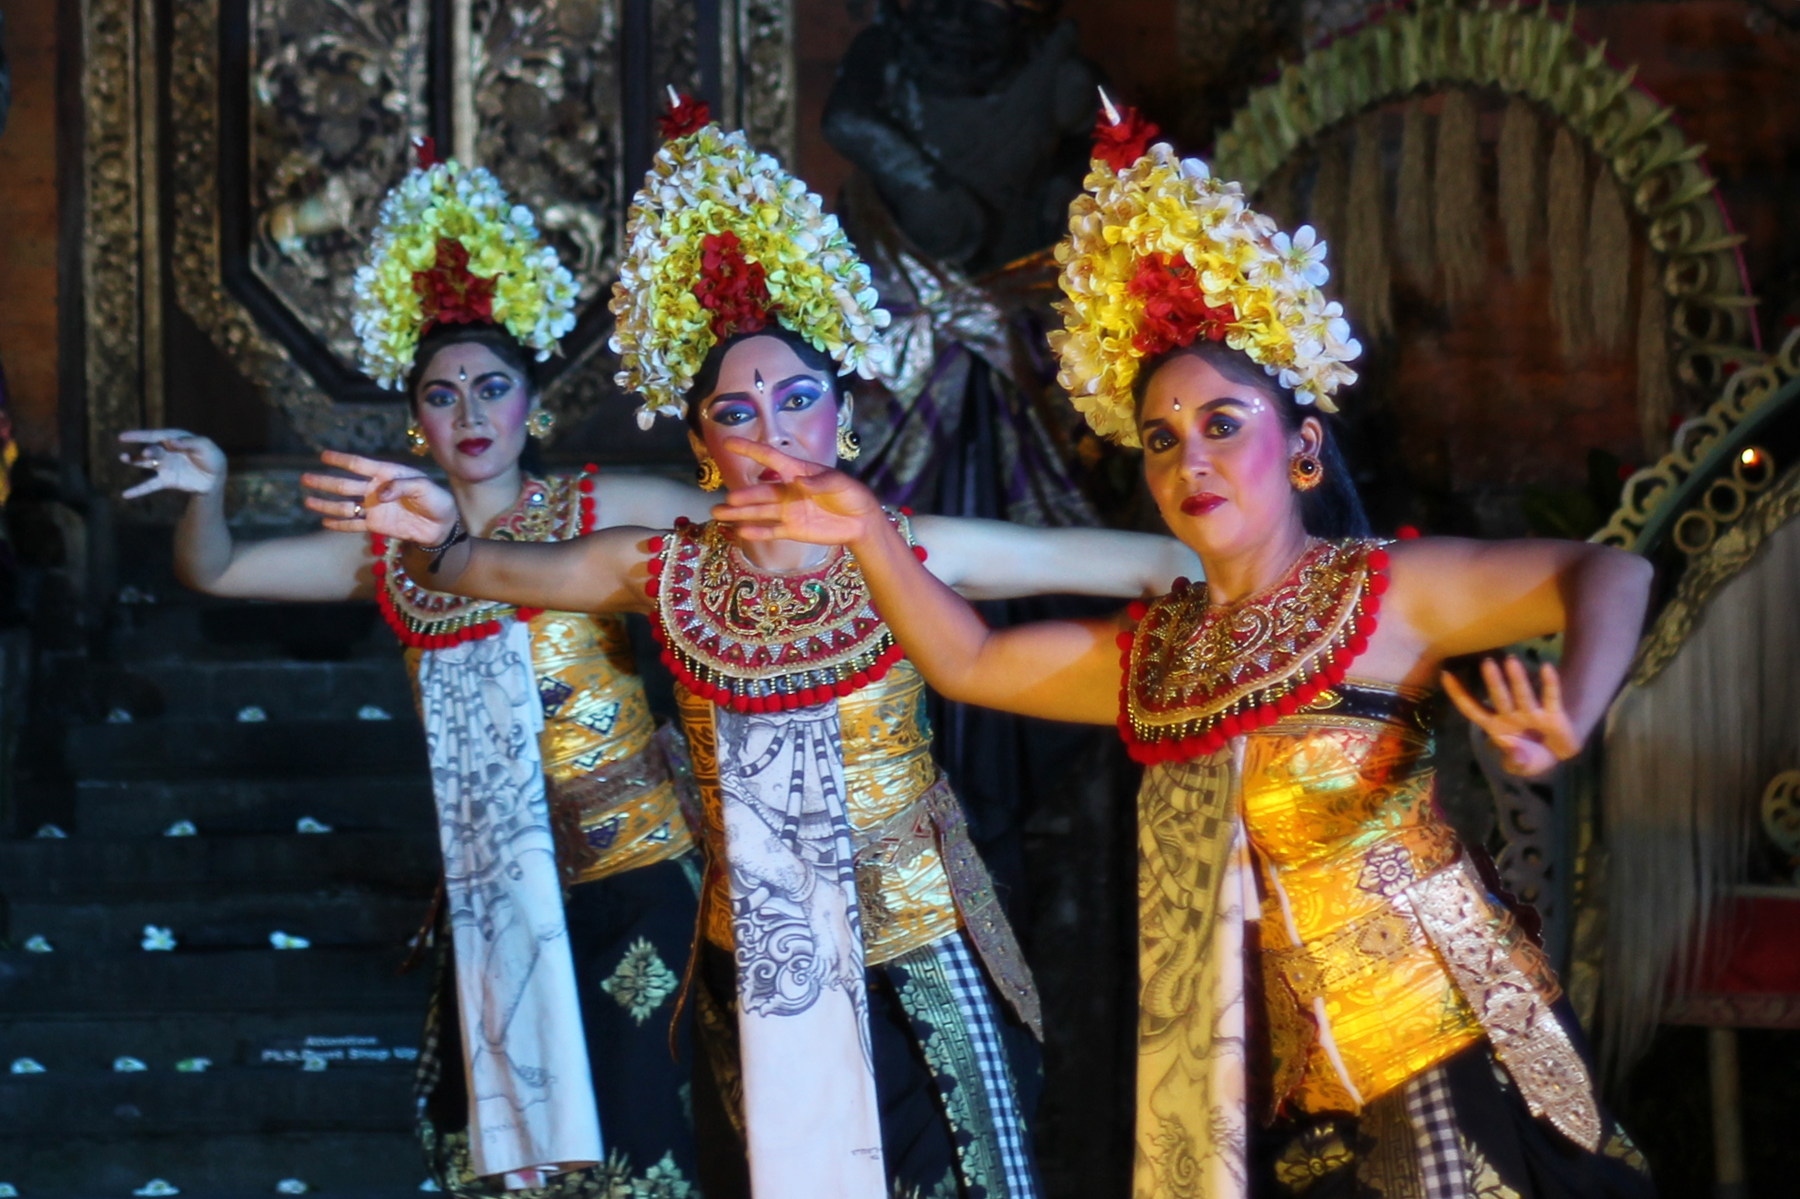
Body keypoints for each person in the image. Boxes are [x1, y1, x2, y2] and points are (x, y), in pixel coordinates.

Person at [710, 104, 1660, 1198]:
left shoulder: (1379, 594)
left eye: (1223, 423)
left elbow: (1610, 572)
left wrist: (1574, 710)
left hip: (1445, 1035)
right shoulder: (1156, 659)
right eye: (1161, 437)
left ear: (1301, 447)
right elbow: (967, 658)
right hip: (1281, 1086)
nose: (1190, 458)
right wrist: (868, 531)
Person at [309, 97, 1200, 1199]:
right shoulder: (662, 567)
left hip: (921, 946)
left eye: (798, 400)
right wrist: (427, 534)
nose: (773, 434)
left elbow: (1132, 564)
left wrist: (1275, 579)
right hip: (759, 972)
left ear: (845, 419)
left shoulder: (908, 549)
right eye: (738, 413)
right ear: (700, 443)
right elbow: (495, 569)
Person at [120, 142, 716, 1197]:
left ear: (533, 401)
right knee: (509, 1152)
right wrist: (206, 488)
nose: (473, 414)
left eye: (494, 388)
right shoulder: (388, 550)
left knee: (638, 1143)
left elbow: (752, 539)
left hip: (633, 871)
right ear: (416, 421)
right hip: (495, 886)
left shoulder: (600, 504)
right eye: (444, 396)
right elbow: (216, 570)